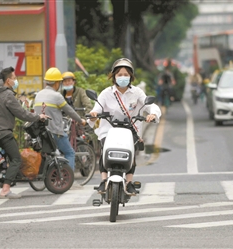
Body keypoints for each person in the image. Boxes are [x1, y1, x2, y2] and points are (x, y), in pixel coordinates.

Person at [88, 58, 161, 195]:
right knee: (104, 152)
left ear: (131, 77)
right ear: (114, 76)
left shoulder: (137, 93)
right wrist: (93, 114)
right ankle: (104, 181)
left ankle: (129, 183)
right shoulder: (106, 93)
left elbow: (151, 106)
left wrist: (152, 114)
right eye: (119, 74)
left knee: (131, 154)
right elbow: (96, 109)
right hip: (109, 131)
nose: (122, 77)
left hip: (130, 131)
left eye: (126, 74)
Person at [0, 67, 49, 199]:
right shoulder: (7, 94)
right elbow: (21, 113)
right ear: (8, 81)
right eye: (14, 78)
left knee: (7, 156)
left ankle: (3, 177)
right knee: (16, 159)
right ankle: (5, 190)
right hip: (1, 132)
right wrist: (38, 117)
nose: (16, 80)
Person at [34, 68, 86, 174]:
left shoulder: (39, 94)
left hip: (41, 132)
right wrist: (81, 120)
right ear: (57, 83)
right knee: (70, 152)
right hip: (55, 132)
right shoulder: (57, 96)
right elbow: (69, 111)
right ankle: (68, 178)